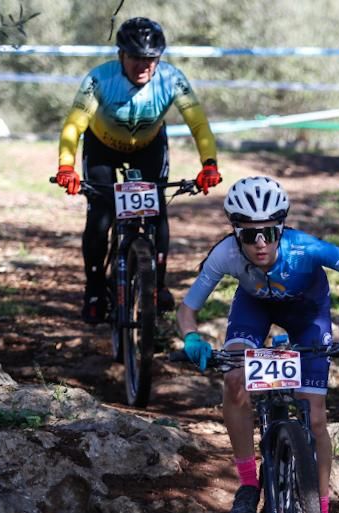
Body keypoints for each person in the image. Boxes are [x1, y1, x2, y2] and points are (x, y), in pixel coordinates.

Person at [176, 176, 339, 513]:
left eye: (269, 232)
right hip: (255, 311)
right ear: (236, 232)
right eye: (249, 234)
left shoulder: (306, 248)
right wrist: (191, 338)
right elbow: (188, 310)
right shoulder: (225, 254)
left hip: (308, 317)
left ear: (281, 227)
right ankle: (249, 482)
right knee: (235, 378)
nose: (260, 243)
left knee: (316, 418)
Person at [55, 17, 222, 324]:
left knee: (157, 212)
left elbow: (198, 123)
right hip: (102, 147)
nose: (143, 65)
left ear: (159, 58)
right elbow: (74, 124)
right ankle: (94, 290)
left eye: (151, 58)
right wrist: (66, 166)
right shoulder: (99, 79)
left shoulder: (172, 79)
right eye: (136, 57)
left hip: (149, 148)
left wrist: (208, 164)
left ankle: (156, 285)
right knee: (100, 214)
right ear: (121, 55)